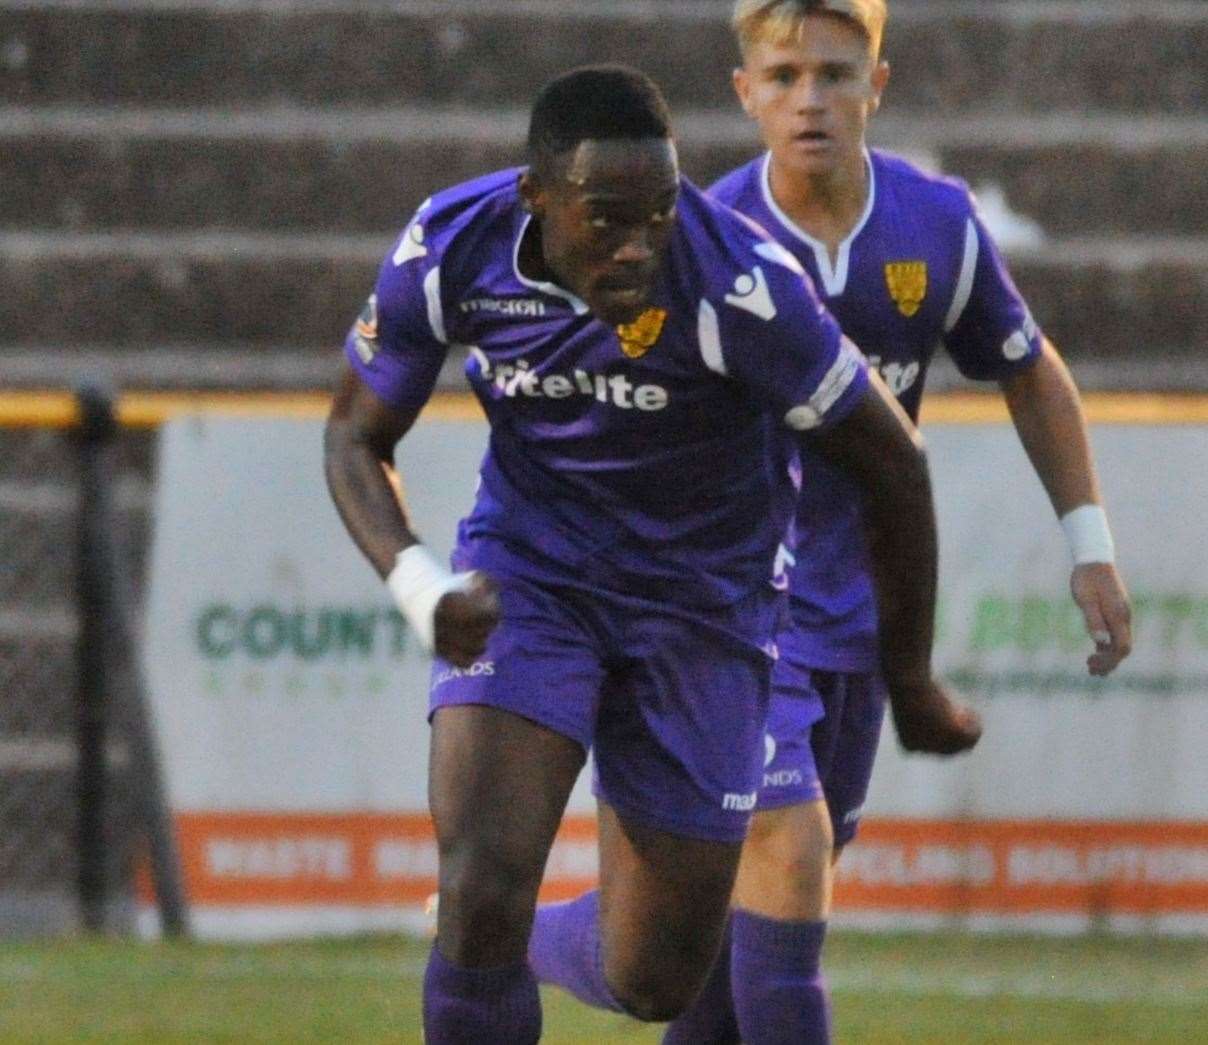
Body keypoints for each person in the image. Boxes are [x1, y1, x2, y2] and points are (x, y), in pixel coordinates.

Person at [325, 64, 973, 1044]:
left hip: (703, 613)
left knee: (656, 976)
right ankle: (490, 930)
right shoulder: (451, 247)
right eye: (606, 218)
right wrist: (418, 584)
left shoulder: (736, 286)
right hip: (529, 581)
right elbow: (353, 436)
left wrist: (912, 677)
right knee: (479, 887)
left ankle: (547, 939)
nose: (638, 246)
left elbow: (893, 464)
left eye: (659, 214)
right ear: (533, 199)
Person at [656, 3, 1135, 1043]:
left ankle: (545, 933)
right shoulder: (706, 238)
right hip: (730, 619)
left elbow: (1029, 373)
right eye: (781, 77)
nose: (809, 99)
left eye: (834, 74)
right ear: (744, 94)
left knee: (744, 937)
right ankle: (531, 932)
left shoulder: (934, 228)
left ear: (878, 85)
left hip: (855, 624)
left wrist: (1087, 544)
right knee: (784, 851)